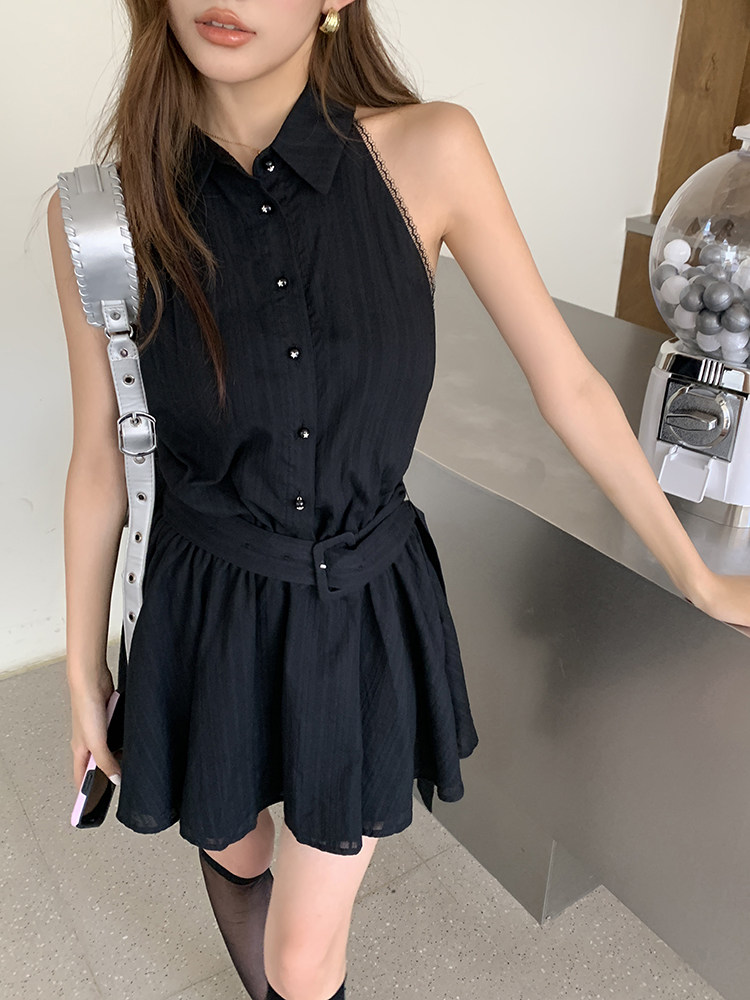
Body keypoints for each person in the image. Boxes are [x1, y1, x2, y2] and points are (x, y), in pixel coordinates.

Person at [47, 3, 750, 1000]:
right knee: (236, 847)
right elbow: (98, 462)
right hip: (204, 605)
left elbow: (568, 384)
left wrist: (697, 575)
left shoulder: (430, 152)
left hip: (358, 609)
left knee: (302, 959)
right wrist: (82, 673)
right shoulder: (99, 214)